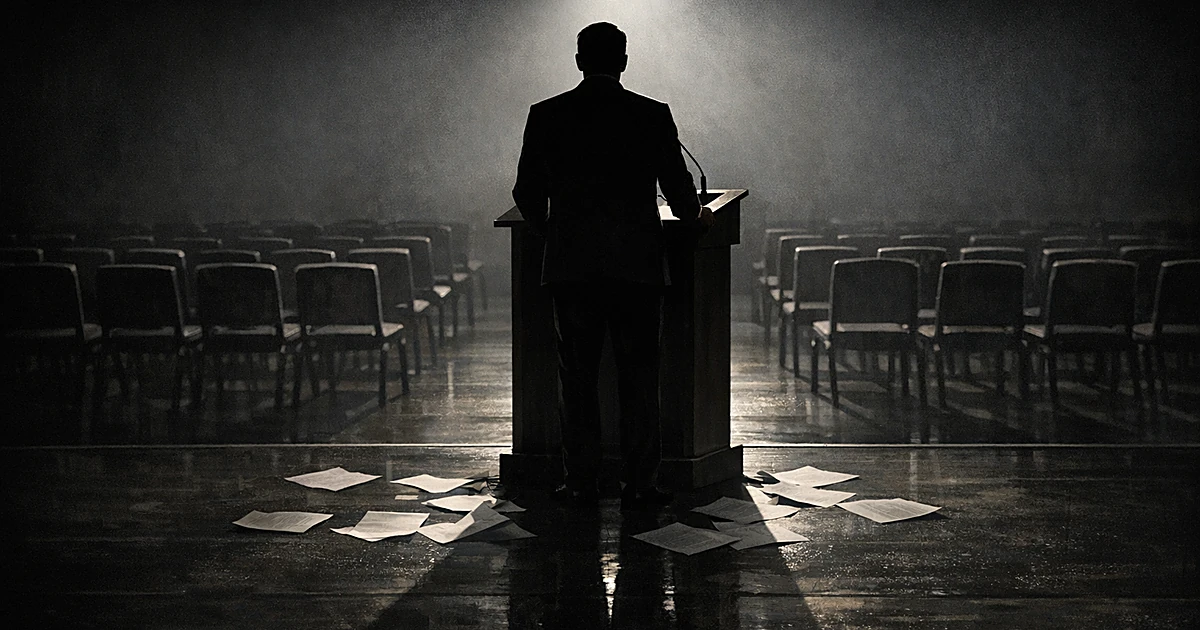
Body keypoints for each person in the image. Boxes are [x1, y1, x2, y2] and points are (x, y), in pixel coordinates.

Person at [512, 22, 715, 509]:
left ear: (579, 60)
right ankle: (641, 484)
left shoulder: (547, 115)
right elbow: (682, 196)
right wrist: (700, 215)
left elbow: (525, 194)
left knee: (577, 380)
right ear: (624, 61)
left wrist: (552, 233)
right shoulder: (651, 115)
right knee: (640, 378)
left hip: (573, 267)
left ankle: (580, 482)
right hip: (637, 269)